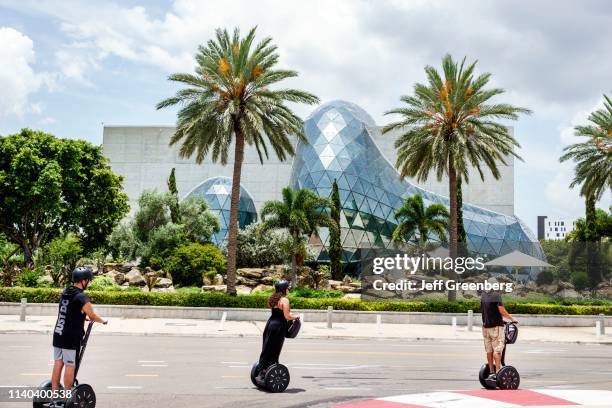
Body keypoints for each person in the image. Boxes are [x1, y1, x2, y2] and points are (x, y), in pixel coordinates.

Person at [50, 267, 107, 407]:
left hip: (58, 334)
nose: (88, 283)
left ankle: (54, 394)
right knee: (70, 365)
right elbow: (92, 315)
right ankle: (67, 396)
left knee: (58, 363)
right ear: (83, 281)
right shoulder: (82, 297)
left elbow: (68, 311)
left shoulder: (65, 292)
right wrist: (103, 321)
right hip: (70, 337)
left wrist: (82, 318)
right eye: (88, 280)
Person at [257, 279, 299, 381]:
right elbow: (287, 316)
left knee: (267, 347)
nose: (288, 290)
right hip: (279, 327)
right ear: (284, 289)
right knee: (275, 348)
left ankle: (263, 369)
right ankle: (269, 368)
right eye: (287, 288)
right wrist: (296, 317)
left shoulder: (274, 299)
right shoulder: (284, 300)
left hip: (270, 324)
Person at [480, 277, 518, 383]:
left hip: (485, 327)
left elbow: (484, 311)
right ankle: (497, 373)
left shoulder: (483, 295)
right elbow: (501, 310)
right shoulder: (496, 295)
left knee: (489, 351)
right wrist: (512, 319)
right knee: (497, 350)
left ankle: (491, 372)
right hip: (496, 327)